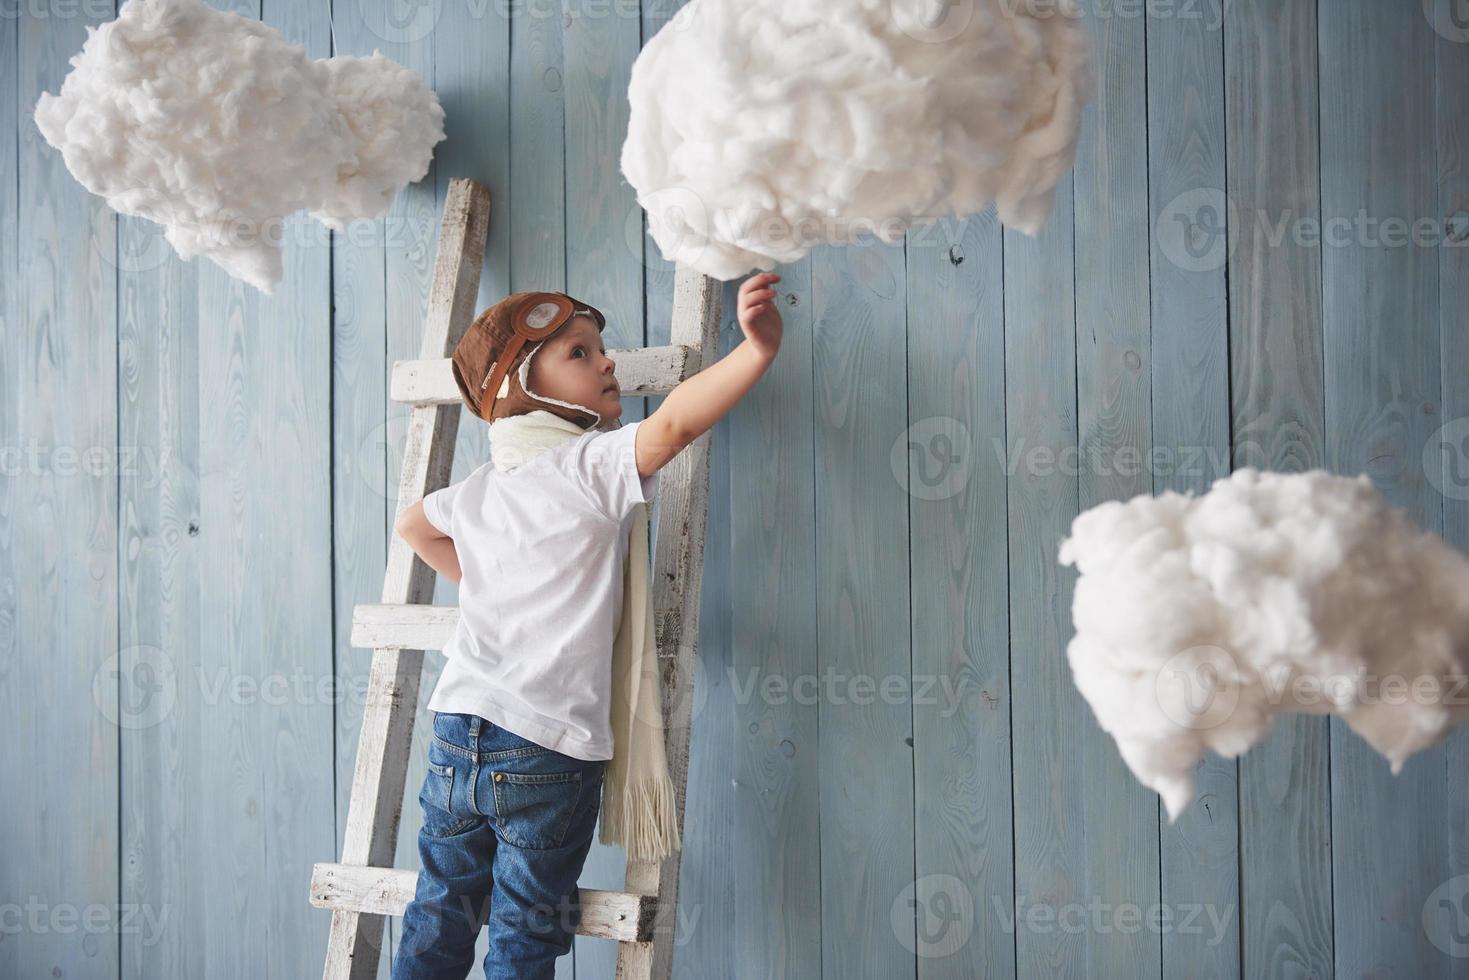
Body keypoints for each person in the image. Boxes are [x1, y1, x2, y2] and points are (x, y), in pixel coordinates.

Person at [390, 272, 783, 979]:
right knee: (524, 935)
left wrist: (488, 583)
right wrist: (754, 352)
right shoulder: (585, 466)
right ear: (522, 385)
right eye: (579, 352)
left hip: (455, 732)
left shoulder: (482, 488)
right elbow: (672, 425)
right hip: (546, 747)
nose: (607, 363)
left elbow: (412, 525)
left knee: (439, 913)